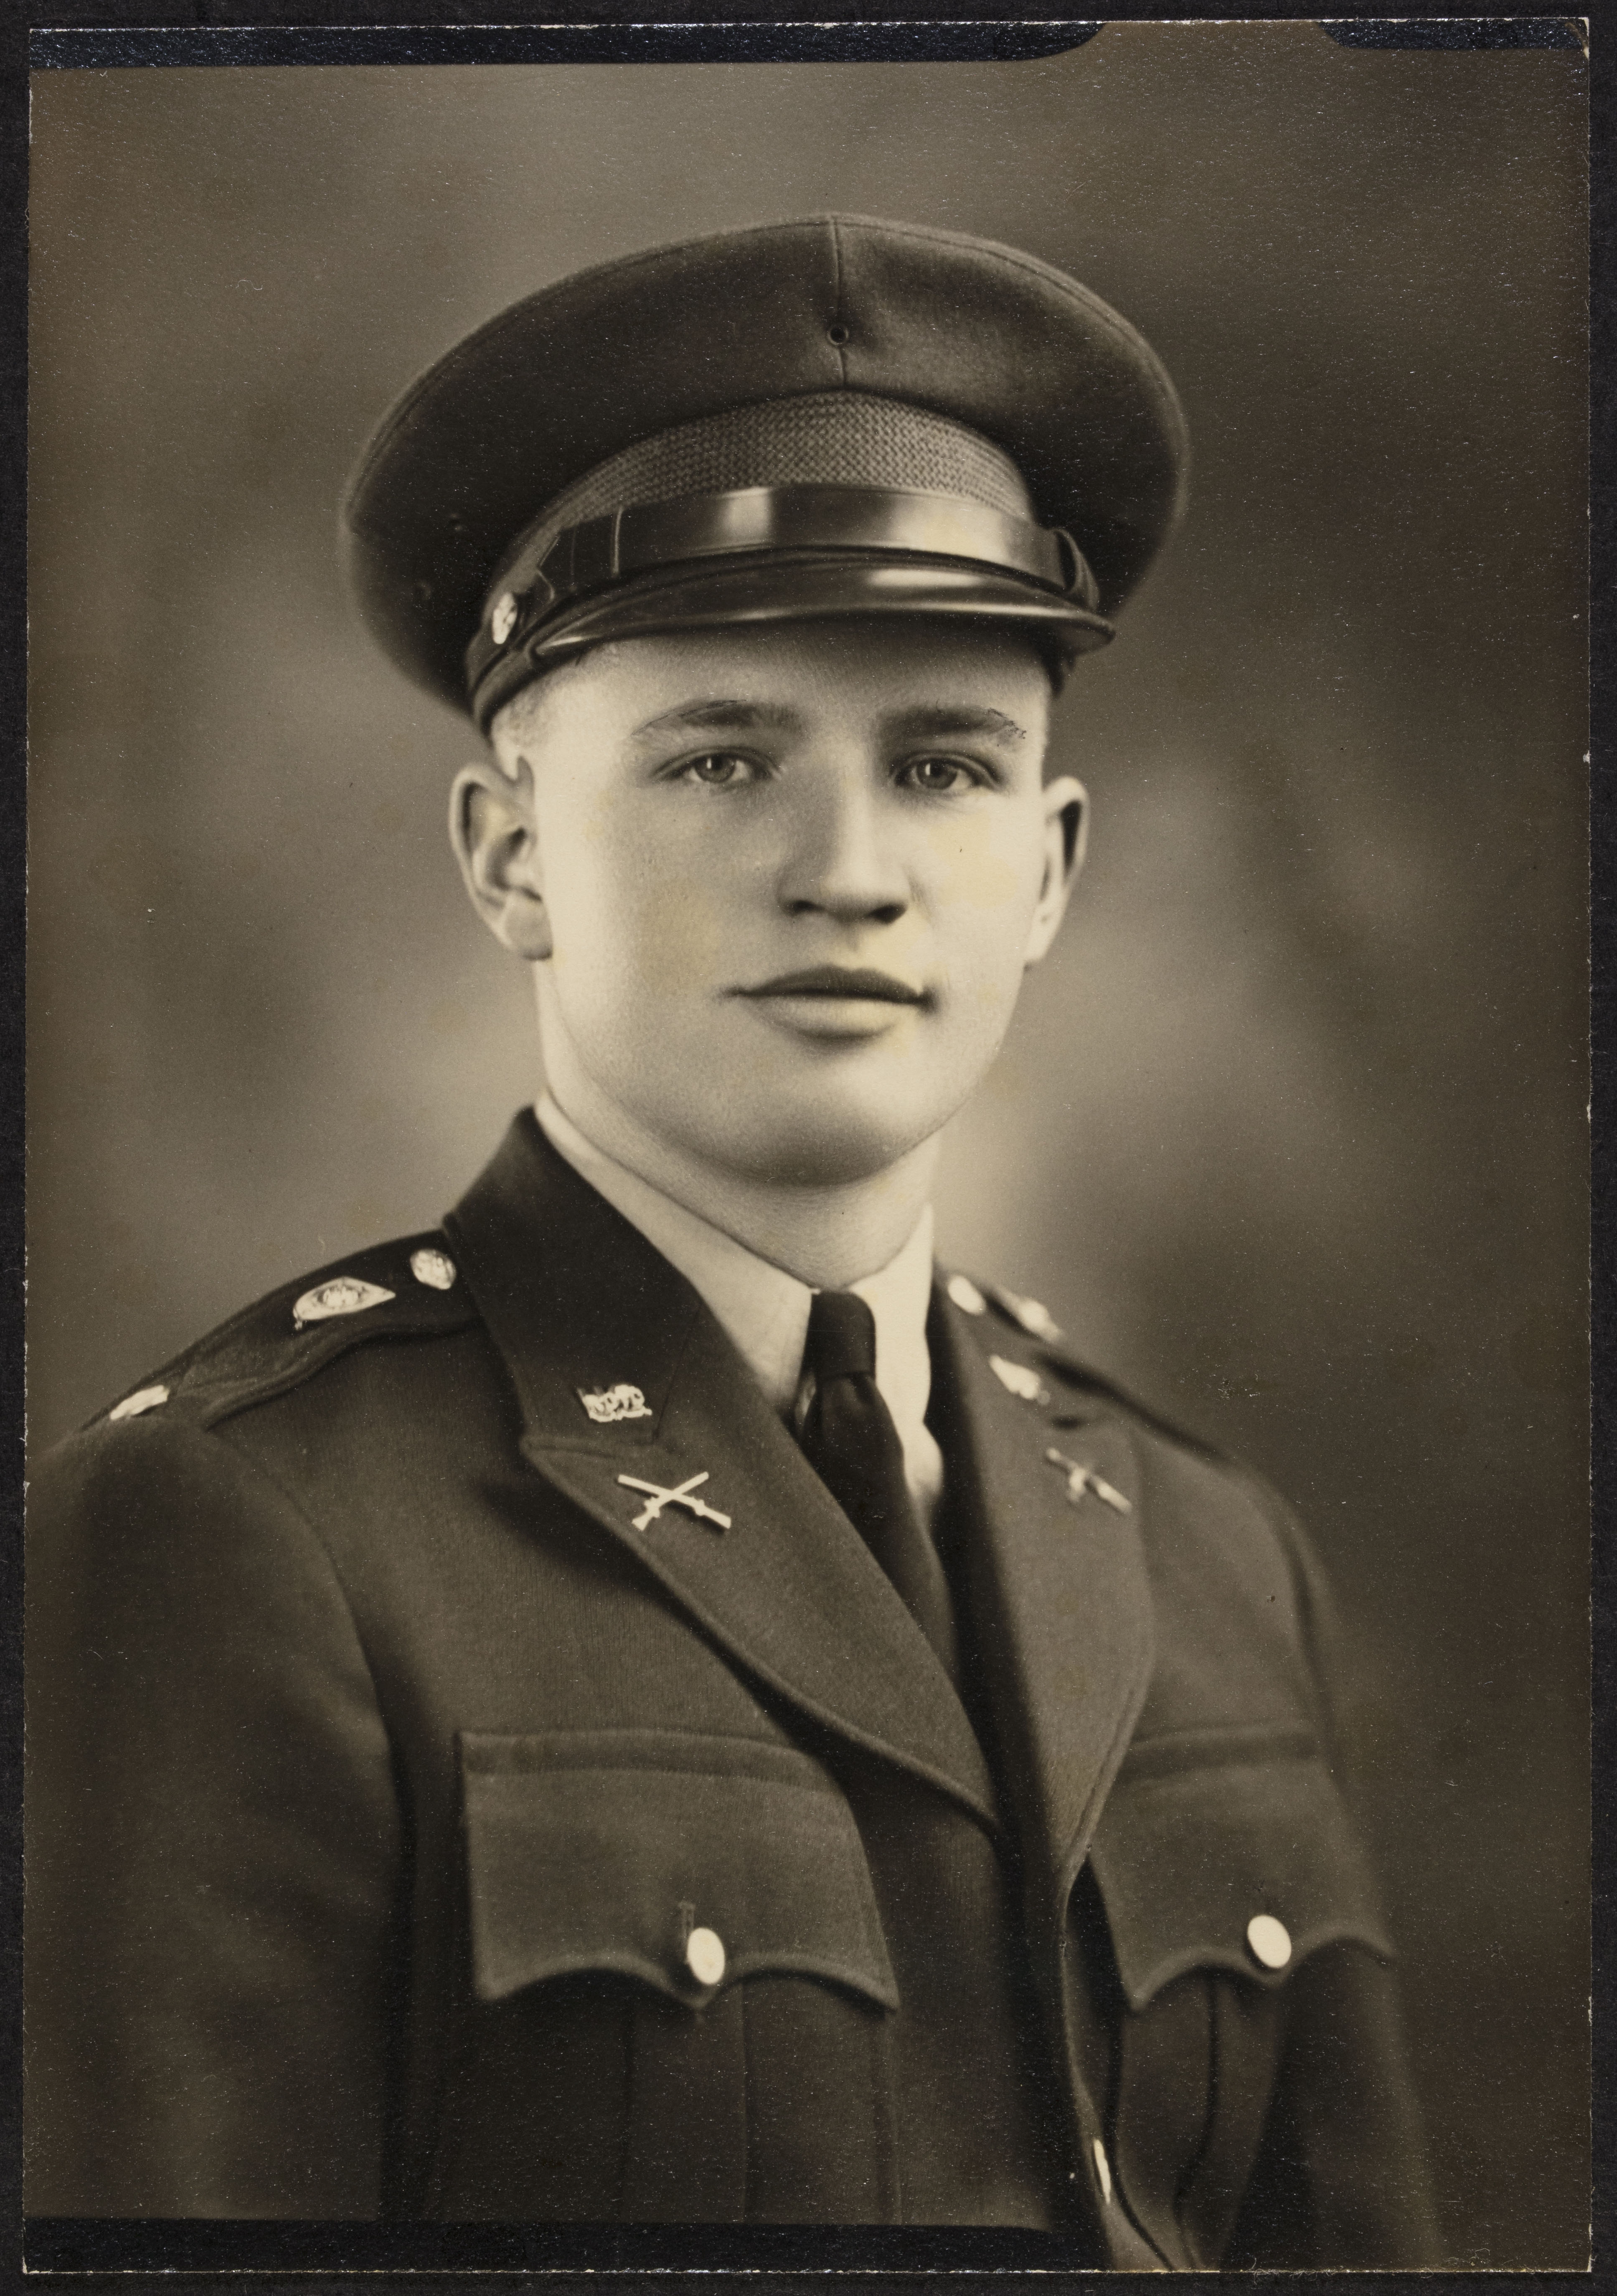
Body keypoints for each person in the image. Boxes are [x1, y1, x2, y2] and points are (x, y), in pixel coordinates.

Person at [24, 214, 1444, 2262]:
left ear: (1045, 872)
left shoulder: (1200, 1541)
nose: (851, 873)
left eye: (944, 765)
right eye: (720, 761)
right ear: (512, 855)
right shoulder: (245, 1536)